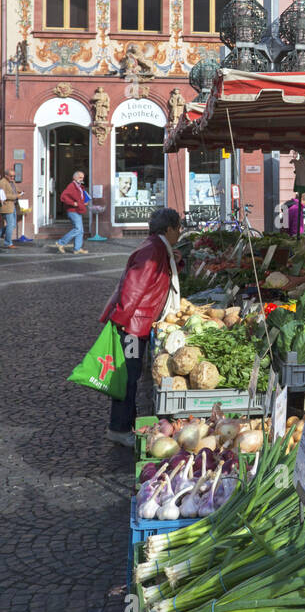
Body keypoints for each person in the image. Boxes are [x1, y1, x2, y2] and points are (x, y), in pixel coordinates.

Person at [100, 207, 183, 446]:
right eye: (178, 228)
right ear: (168, 229)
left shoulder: (158, 247)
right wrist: (121, 324)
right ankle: (119, 428)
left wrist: (176, 262)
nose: (179, 232)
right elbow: (133, 288)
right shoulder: (153, 250)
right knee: (127, 378)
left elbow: (156, 281)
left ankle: (124, 424)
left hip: (138, 326)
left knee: (130, 376)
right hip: (133, 328)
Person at [55, 170, 89, 254]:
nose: (81, 179)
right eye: (80, 177)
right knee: (78, 229)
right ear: (75, 177)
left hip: (77, 210)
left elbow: (78, 197)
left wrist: (83, 201)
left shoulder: (79, 186)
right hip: (73, 210)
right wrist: (73, 203)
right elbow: (63, 196)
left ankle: (77, 248)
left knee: (80, 230)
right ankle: (61, 242)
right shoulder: (71, 186)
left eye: (82, 178)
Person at [0, 169, 20, 249]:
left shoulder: (12, 182)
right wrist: (15, 196)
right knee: (10, 225)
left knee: (12, 225)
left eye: (14, 176)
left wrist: (20, 192)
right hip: (6, 207)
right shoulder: (2, 183)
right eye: (11, 176)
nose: (12, 177)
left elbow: (15, 190)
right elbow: (3, 196)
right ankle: (8, 243)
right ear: (6, 175)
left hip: (13, 206)